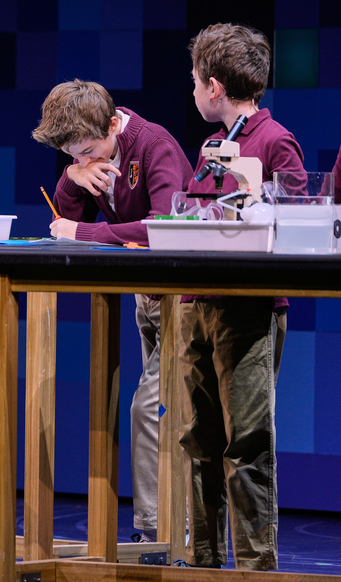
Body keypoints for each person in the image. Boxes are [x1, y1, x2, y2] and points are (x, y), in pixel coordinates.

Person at [31, 79, 193, 543]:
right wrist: (71, 179)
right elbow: (68, 215)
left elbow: (165, 227)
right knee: (163, 413)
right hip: (147, 297)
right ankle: (170, 525)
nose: (82, 160)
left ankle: (157, 530)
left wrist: (82, 234)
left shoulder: (154, 145)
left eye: (85, 151)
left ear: (112, 125)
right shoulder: (87, 160)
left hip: (185, 297)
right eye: (71, 155)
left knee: (153, 407)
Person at [179, 23, 303, 570]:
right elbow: (190, 214)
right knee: (198, 440)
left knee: (246, 443)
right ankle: (204, 562)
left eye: (194, 80)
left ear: (213, 86)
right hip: (196, 305)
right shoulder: (211, 145)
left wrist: (258, 200)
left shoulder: (274, 141)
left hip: (247, 310)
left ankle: (256, 569)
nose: (193, 89)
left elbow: (300, 220)